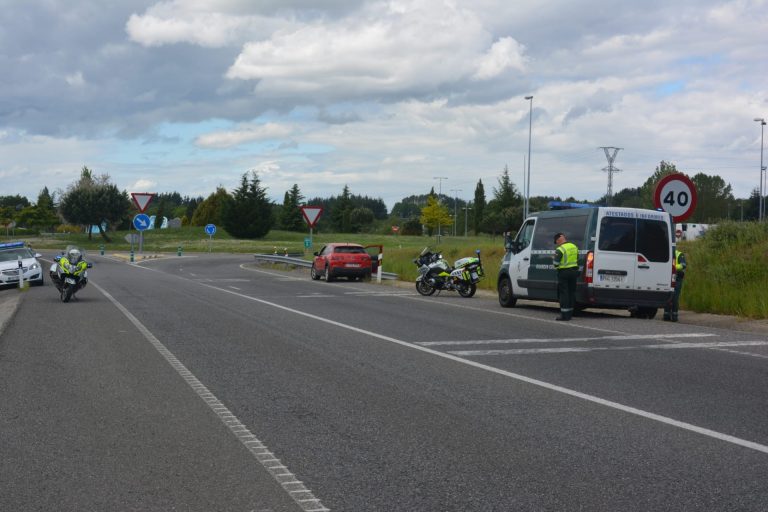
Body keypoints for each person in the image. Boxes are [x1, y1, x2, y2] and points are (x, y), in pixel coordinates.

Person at [553, 232, 579, 321]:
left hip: (564, 272)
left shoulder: (560, 249)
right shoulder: (574, 246)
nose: (557, 244)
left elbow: (556, 264)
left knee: (563, 293)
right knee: (572, 292)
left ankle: (564, 315)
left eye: (556, 242)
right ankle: (570, 314)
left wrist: (553, 259)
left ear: (558, 239)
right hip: (574, 272)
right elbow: (577, 259)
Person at [664, 249, 687, 321]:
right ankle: (666, 314)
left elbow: (683, 265)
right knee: (667, 296)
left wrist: (673, 267)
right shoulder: (667, 253)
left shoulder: (679, 254)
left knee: (675, 297)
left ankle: (674, 315)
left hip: (677, 278)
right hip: (668, 278)